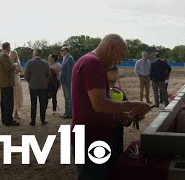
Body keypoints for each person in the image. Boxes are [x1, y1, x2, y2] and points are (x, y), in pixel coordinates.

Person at [71, 34, 151, 180]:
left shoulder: (93, 63)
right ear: (111, 47)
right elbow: (100, 104)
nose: (120, 60)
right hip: (91, 137)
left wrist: (122, 116)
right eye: (121, 55)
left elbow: (97, 105)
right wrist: (134, 104)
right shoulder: (92, 63)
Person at [24, 49, 51, 126]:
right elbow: (49, 75)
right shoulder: (46, 63)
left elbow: (26, 75)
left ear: (35, 53)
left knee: (33, 104)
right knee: (42, 104)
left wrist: (30, 81)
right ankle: (43, 120)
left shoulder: (30, 62)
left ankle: (33, 121)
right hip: (43, 86)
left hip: (33, 86)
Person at [0, 42, 19, 126]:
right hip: (7, 82)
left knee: (3, 102)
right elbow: (8, 68)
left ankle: (4, 119)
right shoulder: (5, 55)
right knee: (8, 102)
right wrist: (15, 65)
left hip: (2, 82)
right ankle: (9, 120)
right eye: (10, 47)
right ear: (8, 47)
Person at [60, 47, 75, 119]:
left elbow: (71, 71)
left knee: (69, 98)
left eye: (62, 50)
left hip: (67, 82)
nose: (61, 51)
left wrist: (67, 81)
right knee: (66, 98)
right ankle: (66, 112)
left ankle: (70, 114)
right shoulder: (65, 58)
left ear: (66, 51)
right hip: (64, 82)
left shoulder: (69, 58)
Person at [9, 50, 24, 119]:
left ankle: (16, 112)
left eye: (15, 54)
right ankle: (10, 113)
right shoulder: (8, 61)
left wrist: (18, 70)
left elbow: (22, 71)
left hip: (17, 80)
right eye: (12, 53)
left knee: (17, 96)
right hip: (10, 80)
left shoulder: (18, 62)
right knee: (11, 96)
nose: (13, 55)